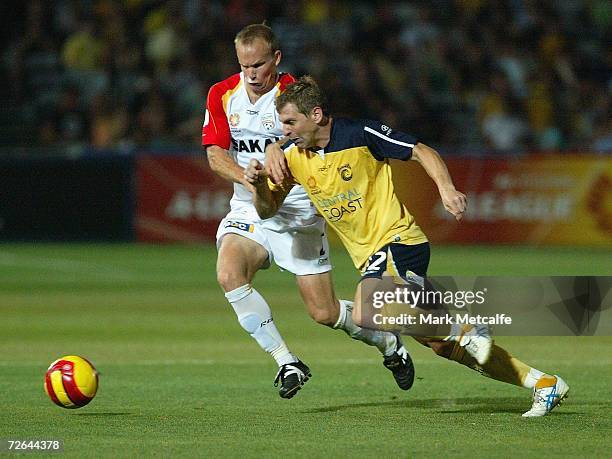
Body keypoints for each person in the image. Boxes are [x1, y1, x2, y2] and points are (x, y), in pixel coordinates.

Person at [245, 75, 570, 416]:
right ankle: (542, 384)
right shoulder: (292, 157)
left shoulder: (359, 133)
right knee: (442, 345)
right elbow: (268, 209)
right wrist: (257, 185)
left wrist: (446, 188)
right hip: (371, 256)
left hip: (399, 241)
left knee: (369, 308)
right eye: (282, 123)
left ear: (316, 115)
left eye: (290, 122)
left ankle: (464, 328)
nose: (284, 131)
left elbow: (420, 151)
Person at [202, 24, 417, 399]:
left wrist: (278, 146)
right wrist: (249, 179)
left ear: (276, 59)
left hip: (299, 211)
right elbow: (215, 155)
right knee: (228, 273)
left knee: (325, 313)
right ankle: (287, 361)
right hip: (250, 207)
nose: (251, 74)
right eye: (243, 66)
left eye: (258, 64)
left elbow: (317, 128)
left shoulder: (294, 92)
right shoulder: (222, 94)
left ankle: (388, 344)